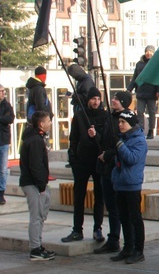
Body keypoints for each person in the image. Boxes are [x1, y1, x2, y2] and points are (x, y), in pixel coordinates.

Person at [62, 87, 107, 244]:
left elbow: (107, 139)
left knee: (99, 195)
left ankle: (97, 228)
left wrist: (97, 135)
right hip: (82, 161)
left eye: (98, 99)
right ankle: (77, 229)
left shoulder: (104, 116)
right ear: (88, 100)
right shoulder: (80, 115)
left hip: (98, 160)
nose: (95, 102)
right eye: (93, 99)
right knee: (79, 195)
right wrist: (73, 158)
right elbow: (73, 138)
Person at [94, 91, 131, 254]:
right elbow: (107, 139)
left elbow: (123, 143)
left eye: (116, 99)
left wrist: (108, 154)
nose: (113, 100)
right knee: (110, 205)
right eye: (113, 98)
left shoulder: (126, 119)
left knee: (120, 207)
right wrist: (96, 135)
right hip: (106, 167)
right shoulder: (109, 117)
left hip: (116, 167)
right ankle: (113, 238)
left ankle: (126, 241)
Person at [110, 110, 148, 265]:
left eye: (123, 122)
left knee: (135, 218)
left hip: (132, 185)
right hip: (120, 183)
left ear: (131, 124)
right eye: (119, 122)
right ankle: (128, 247)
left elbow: (132, 158)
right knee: (123, 217)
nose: (120, 125)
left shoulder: (139, 140)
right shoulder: (123, 138)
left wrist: (119, 145)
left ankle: (139, 250)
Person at [20, 111, 55, 260]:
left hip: (37, 183)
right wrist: (41, 185)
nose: (50, 123)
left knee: (40, 215)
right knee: (36, 216)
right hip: (33, 184)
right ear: (41, 124)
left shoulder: (36, 138)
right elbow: (35, 165)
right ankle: (35, 249)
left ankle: (38, 245)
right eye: (48, 121)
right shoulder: (35, 140)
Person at [127, 45, 159, 139]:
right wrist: (129, 89)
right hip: (141, 92)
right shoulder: (139, 64)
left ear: (153, 53)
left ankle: (151, 131)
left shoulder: (156, 63)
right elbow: (135, 78)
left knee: (152, 112)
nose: (148, 53)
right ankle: (141, 130)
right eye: (147, 51)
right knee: (140, 112)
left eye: (151, 51)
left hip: (152, 92)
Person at [0, 84, 14, 204]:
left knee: (3, 169)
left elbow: (10, 119)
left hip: (3, 140)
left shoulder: (7, 105)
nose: (3, 93)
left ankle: (1, 193)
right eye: (1, 91)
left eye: (3, 91)